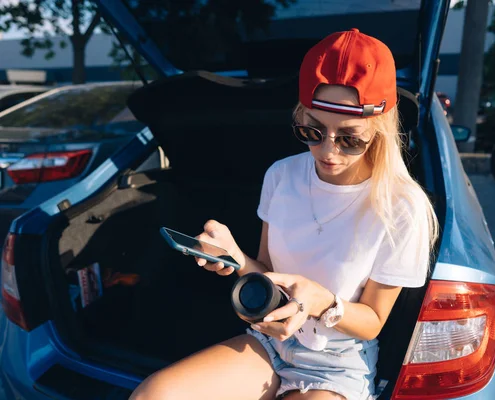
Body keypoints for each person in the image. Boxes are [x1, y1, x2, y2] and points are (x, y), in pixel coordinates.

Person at [130, 28, 438, 400]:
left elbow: (372, 323)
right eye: (313, 130)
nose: (328, 151)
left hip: (336, 363)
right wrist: (236, 257)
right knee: (152, 396)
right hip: (270, 342)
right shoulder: (282, 175)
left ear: (380, 131)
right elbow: (268, 274)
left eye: (350, 138)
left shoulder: (402, 206)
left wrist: (321, 300)